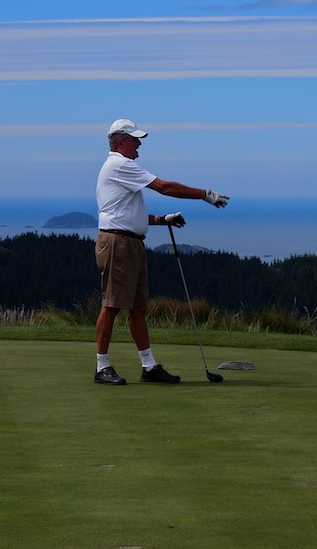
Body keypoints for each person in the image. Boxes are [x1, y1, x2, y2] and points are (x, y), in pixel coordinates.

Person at [94, 118, 229, 385]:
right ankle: (102, 367)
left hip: (130, 242)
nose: (139, 144)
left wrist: (160, 220)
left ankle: (149, 366)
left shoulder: (123, 167)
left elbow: (126, 212)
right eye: (135, 139)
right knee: (112, 306)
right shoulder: (119, 165)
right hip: (118, 244)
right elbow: (163, 187)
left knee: (138, 308)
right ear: (120, 141)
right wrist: (204, 193)